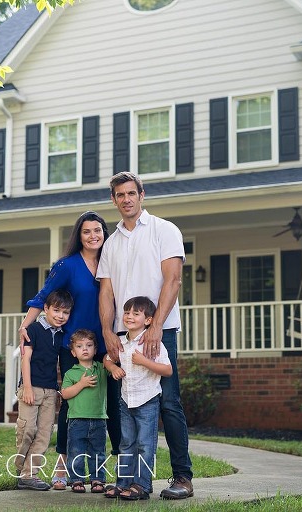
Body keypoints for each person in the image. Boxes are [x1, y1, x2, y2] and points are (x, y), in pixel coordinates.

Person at [97, 171, 194, 500]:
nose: (126, 199)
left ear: (142, 194)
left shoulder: (164, 230)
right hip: (124, 337)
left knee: (168, 403)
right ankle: (129, 482)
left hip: (159, 332)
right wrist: (108, 332)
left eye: (131, 193)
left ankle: (182, 476)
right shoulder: (110, 244)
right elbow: (107, 292)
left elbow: (173, 281)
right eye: (119, 195)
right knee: (125, 407)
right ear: (114, 200)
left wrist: (155, 327)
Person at [19, 211, 121, 491]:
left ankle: (117, 470)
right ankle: (62, 467)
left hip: (105, 346)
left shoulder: (111, 262)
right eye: (86, 231)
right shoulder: (66, 265)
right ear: (79, 235)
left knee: (111, 405)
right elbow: (44, 295)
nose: (93, 236)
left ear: (104, 233)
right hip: (72, 347)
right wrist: (25, 325)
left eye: (97, 230)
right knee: (70, 409)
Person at [103, 296, 172, 500]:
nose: (129, 316)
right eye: (127, 312)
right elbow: (106, 358)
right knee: (126, 444)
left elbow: (167, 370)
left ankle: (141, 485)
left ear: (148, 320)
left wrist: (144, 361)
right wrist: (113, 367)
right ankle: (122, 483)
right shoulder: (121, 341)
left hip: (147, 401)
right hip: (126, 400)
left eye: (135, 313)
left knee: (145, 445)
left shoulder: (152, 343)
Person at [16, 289, 73, 491]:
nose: (60, 316)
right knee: (27, 430)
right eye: (56, 310)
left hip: (50, 390)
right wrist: (28, 388)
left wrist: (56, 391)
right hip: (31, 387)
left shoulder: (61, 335)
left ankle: (30, 475)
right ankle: (20, 467)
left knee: (44, 434)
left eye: (65, 313)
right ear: (46, 309)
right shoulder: (33, 329)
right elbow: (26, 359)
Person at [60, 329, 108, 494]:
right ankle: (76, 480)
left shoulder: (101, 368)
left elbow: (112, 361)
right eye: (80, 346)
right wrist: (81, 384)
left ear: (95, 349)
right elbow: (65, 394)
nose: (85, 349)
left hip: (99, 418)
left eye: (89, 345)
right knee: (76, 451)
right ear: (73, 352)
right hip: (76, 419)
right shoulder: (71, 373)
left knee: (98, 451)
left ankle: (98, 479)